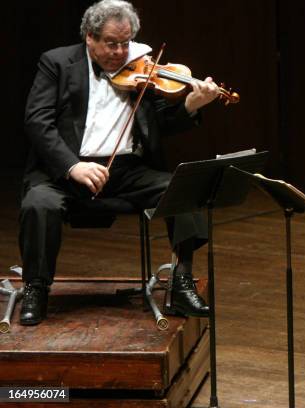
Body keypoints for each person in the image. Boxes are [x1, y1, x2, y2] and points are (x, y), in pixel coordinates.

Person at [20, 0, 219, 325]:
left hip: (127, 172)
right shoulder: (56, 63)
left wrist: (191, 105)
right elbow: (37, 122)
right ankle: (36, 287)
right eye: (111, 43)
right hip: (65, 171)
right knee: (37, 204)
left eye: (125, 43)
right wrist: (73, 166)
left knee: (184, 190)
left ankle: (181, 281)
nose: (120, 51)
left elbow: (162, 121)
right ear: (89, 38)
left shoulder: (141, 66)